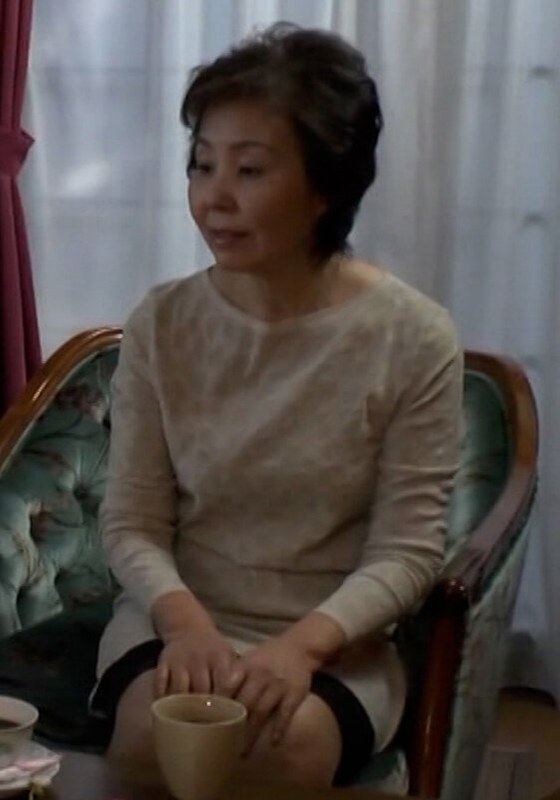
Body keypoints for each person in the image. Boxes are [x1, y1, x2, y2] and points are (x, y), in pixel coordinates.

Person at [90, 22, 463, 789]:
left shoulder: (414, 337)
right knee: (156, 741)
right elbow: (132, 520)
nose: (214, 197)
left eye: (250, 169)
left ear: (326, 187)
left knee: (277, 751)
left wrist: (303, 647)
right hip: (179, 618)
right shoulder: (163, 323)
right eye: (202, 165)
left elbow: (407, 551)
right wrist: (184, 624)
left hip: (334, 641)